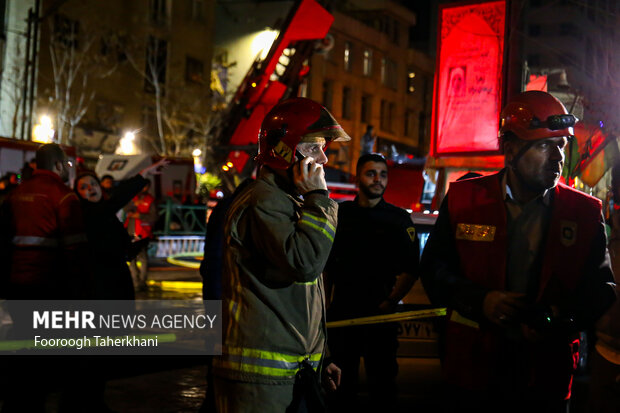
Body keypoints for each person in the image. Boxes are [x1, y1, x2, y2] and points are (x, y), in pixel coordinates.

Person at [420, 90, 616, 413]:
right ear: (510, 151)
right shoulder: (463, 201)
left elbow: (601, 290)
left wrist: (554, 319)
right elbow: (434, 270)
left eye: (561, 146)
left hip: (545, 381)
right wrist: (480, 300)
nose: (558, 158)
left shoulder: (584, 213)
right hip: (472, 374)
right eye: (544, 146)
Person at [212, 97, 349, 412]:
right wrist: (319, 197)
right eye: (314, 148)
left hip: (288, 374)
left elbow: (301, 297)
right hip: (260, 382)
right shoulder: (263, 201)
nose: (324, 159)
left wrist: (321, 355)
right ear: (284, 149)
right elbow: (305, 264)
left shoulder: (284, 200)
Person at [324, 153, 419, 412]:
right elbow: (325, 269)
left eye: (383, 174)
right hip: (343, 316)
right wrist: (325, 307)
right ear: (358, 178)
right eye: (371, 173)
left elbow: (411, 269)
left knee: (383, 388)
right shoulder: (340, 215)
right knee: (341, 389)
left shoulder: (398, 220)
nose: (378, 180)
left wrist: (389, 302)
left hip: (381, 319)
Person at [74, 159, 167, 299]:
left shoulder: (105, 212)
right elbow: (118, 199)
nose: (90, 188)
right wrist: (143, 174)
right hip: (101, 282)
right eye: (84, 187)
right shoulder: (89, 213)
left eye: (93, 184)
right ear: (78, 194)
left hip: (117, 278)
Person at [125, 179, 157, 290]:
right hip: (131, 230)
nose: (143, 189)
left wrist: (140, 216)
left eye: (146, 186)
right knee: (131, 259)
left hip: (143, 232)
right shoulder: (132, 199)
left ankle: (142, 281)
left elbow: (153, 217)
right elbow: (126, 210)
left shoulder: (150, 200)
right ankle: (135, 281)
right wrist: (134, 207)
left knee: (142, 257)